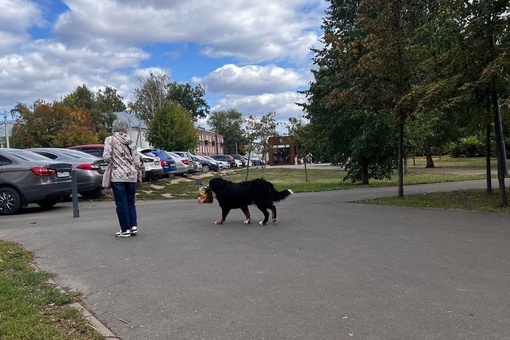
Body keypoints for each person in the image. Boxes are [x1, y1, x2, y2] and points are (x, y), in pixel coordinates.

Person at [103, 119, 143, 238]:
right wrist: (139, 176)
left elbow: (106, 157)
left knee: (121, 203)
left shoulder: (110, 140)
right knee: (131, 201)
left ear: (114, 128)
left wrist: (113, 158)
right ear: (126, 128)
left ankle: (125, 229)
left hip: (118, 177)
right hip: (131, 176)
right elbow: (137, 161)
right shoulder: (131, 140)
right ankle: (133, 226)